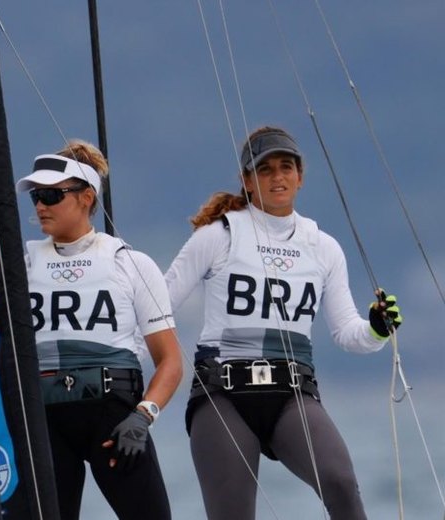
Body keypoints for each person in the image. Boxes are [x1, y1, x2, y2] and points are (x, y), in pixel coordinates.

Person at [165, 126, 403, 519]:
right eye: (266, 169)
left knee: (341, 483)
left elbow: (348, 332)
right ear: (247, 181)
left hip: (291, 396)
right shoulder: (217, 236)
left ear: (300, 176)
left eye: (286, 167)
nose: (277, 177)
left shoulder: (323, 247)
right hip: (221, 397)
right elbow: (160, 303)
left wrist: (377, 327)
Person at [16, 140, 183, 520]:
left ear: (86, 197)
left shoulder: (131, 263)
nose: (40, 205)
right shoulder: (20, 264)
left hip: (113, 421)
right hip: (45, 423)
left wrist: (143, 416)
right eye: (36, 196)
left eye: (51, 195)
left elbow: (171, 361)